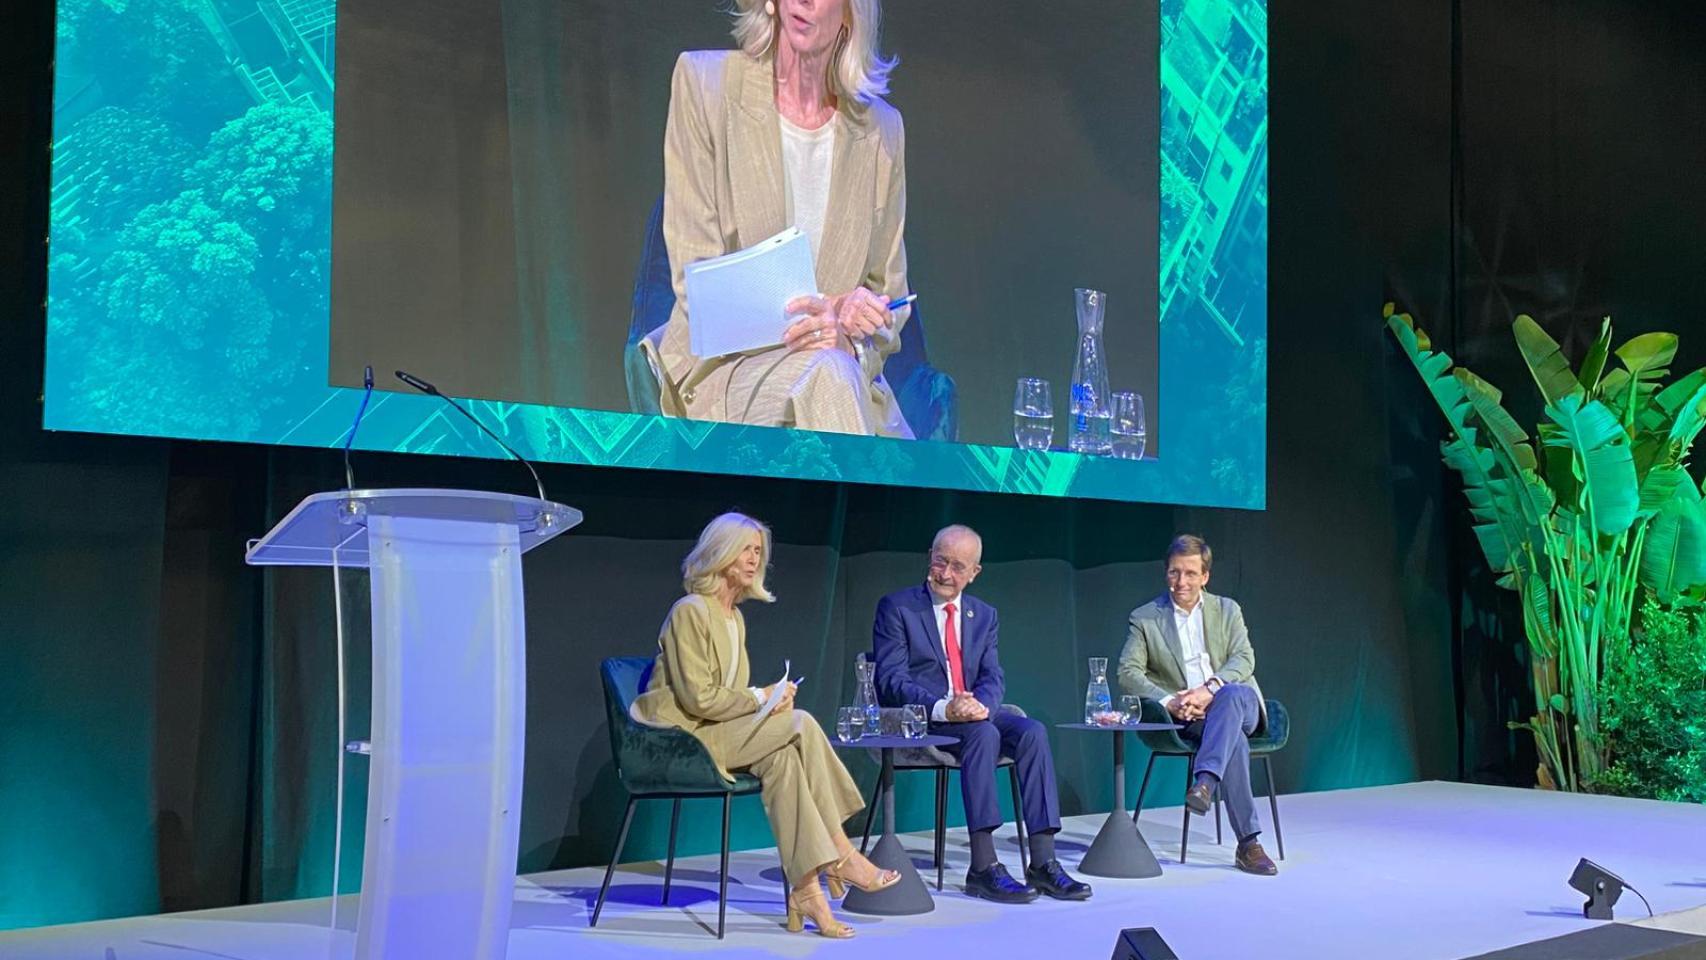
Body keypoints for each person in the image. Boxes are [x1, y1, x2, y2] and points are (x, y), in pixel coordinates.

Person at [639, 0, 915, 438]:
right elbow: (699, 283)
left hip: (843, 373)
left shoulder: (882, 130)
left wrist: (855, 328)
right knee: (829, 375)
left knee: (834, 374)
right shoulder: (705, 85)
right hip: (730, 373)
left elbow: (890, 297)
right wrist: (827, 316)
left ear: (850, 13)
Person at [631, 513, 899, 938]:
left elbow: (727, 701)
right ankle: (843, 851)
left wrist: (768, 703)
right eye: (745, 548)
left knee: (783, 761)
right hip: (681, 741)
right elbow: (699, 698)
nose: (754, 559)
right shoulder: (690, 612)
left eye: (758, 550)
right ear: (719, 552)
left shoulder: (734, 618)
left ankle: (807, 893)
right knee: (802, 723)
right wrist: (761, 696)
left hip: (716, 732)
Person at [871, 525, 1093, 903]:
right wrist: (946, 707)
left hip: (972, 716)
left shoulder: (984, 615)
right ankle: (983, 866)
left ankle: (1043, 862)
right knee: (984, 735)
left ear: (974, 572)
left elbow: (992, 674)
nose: (945, 573)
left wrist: (981, 707)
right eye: (940, 561)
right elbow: (889, 679)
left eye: (957, 567)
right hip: (924, 719)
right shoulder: (898, 607)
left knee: (1031, 731)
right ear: (929, 556)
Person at [1116, 534, 1278, 876]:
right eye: (1174, 573)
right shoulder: (1145, 618)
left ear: (1205, 576)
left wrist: (1210, 689)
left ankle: (1204, 781)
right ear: (1166, 573)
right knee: (1231, 739)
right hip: (1189, 716)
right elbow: (1127, 672)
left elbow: (1244, 658)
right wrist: (1170, 701)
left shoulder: (1227, 609)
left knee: (1231, 699)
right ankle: (1249, 843)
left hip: (1236, 701)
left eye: (1190, 574)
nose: (1181, 582)